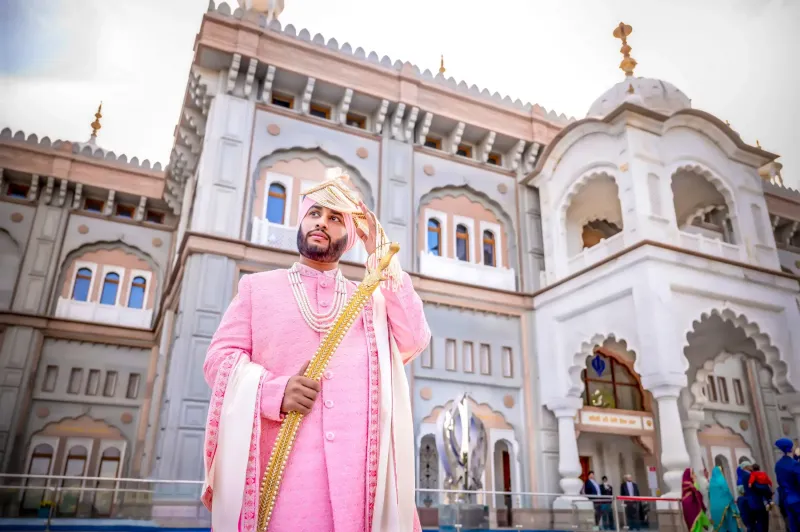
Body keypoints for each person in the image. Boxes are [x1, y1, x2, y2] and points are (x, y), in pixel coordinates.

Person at [200, 174, 432, 531]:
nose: (322, 222)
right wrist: (272, 392)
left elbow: (415, 337)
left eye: (336, 218)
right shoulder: (257, 289)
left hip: (359, 487)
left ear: (350, 237)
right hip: (281, 483)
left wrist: (380, 254)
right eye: (315, 214)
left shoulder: (370, 301)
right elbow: (218, 360)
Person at [708, 466, 743, 532]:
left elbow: (709, 496)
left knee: (720, 526)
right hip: (725, 505)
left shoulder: (711, 483)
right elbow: (726, 491)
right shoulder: (721, 479)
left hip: (715, 508)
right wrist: (732, 500)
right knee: (731, 522)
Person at [776, 438, 800, 532]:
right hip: (797, 498)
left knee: (793, 526)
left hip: (786, 499)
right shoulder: (794, 464)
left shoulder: (778, 465)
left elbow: (779, 481)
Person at [682, 468, 712, 532]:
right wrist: (695, 482)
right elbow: (697, 491)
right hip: (692, 508)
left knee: (698, 524)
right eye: (692, 473)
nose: (694, 475)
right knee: (695, 525)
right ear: (689, 475)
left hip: (696, 506)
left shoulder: (689, 485)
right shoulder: (689, 485)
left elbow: (698, 494)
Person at [747, 464, 774, 532]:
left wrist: (750, 484)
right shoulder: (763, 473)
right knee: (767, 495)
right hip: (765, 486)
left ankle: (766, 504)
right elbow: (767, 479)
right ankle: (770, 501)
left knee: (762, 496)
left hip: (759, 486)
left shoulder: (753, 474)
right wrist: (770, 484)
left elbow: (752, 479)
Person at [736, 461, 753, 531]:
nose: (751, 467)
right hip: (746, 501)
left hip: (744, 501)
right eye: (750, 466)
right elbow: (742, 490)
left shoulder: (741, 478)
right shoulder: (742, 478)